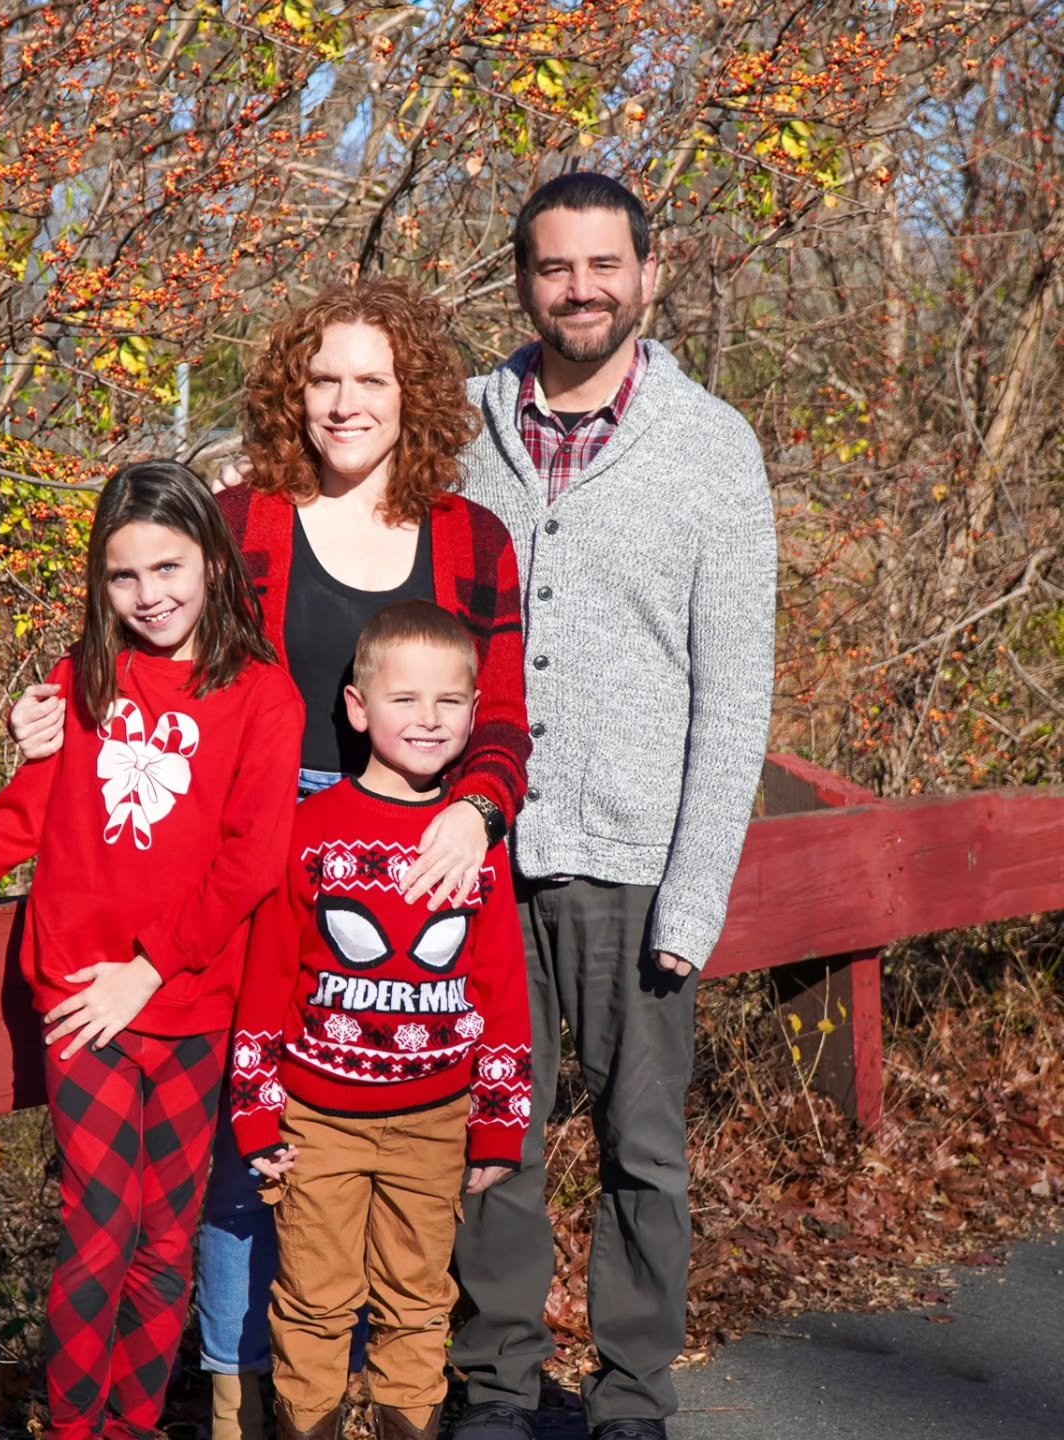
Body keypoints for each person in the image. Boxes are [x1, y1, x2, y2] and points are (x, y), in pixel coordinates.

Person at [7, 280, 532, 1440]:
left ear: (417, 396)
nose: (346, 403)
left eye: (373, 380)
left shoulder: (470, 538)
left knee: (395, 1128)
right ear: (295, 391)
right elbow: (139, 632)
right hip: (243, 844)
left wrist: (479, 812)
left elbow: (498, 710)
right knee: (251, 1148)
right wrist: (46, 711)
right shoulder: (245, 517)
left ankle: (396, 1394)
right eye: (325, 379)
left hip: (407, 845)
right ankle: (249, 1400)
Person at [0, 460, 305, 1440]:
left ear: (212, 559)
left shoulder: (262, 696)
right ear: (98, 583)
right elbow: (17, 824)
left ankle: (131, 1426)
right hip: (83, 999)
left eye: (168, 568)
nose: (150, 595)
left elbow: (251, 861)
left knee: (166, 1240)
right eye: (123, 577)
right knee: (96, 1231)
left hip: (193, 1000)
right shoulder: (85, 680)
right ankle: (71, 1427)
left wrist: (153, 970)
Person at [445, 174, 777, 1440]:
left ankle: (632, 1398)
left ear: (650, 272)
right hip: (478, 847)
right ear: (521, 280)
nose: (577, 289)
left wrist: (697, 893)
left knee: (643, 1150)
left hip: (637, 859)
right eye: (551, 268)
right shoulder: (467, 427)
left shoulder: (710, 446)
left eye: (601, 266)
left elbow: (734, 694)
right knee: (494, 1141)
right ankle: (496, 1390)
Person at [230, 600, 532, 1440]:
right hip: (315, 1117)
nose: (428, 720)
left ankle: (411, 1425)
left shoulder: (476, 846)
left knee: (417, 1299)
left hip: (434, 1120)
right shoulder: (311, 832)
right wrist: (257, 1115)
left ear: (475, 714)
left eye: (448, 703)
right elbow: (267, 983)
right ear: (359, 710)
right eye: (404, 700)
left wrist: (500, 1123)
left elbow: (500, 989)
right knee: (316, 1301)